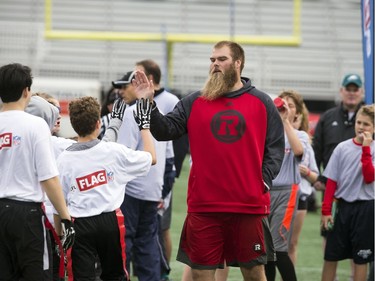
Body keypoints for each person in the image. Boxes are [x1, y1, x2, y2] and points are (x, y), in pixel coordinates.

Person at [134, 40, 285, 281]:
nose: (215, 64)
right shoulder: (195, 101)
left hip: (248, 206)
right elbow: (165, 130)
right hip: (205, 206)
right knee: (200, 273)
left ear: (238, 63)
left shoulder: (262, 102)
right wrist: (147, 102)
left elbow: (275, 148)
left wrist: (262, 181)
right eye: (212, 60)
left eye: (221, 59)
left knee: (255, 272)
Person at [54, 95, 156, 281]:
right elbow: (151, 157)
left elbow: (58, 201)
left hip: (79, 224)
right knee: (115, 276)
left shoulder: (63, 160)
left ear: (74, 125)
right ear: (98, 123)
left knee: (81, 277)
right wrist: (144, 125)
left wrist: (59, 236)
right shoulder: (114, 151)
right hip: (111, 222)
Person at [0, 63, 75, 280]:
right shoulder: (35, 125)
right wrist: (65, 217)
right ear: (26, 91)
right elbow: (48, 177)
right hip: (26, 213)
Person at [113, 67, 177, 281]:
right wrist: (162, 191)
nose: (121, 91)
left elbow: (123, 157)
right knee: (148, 246)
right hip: (152, 191)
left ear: (136, 86)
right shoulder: (157, 115)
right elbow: (170, 160)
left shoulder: (130, 114)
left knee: (125, 246)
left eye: (124, 86)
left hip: (131, 192)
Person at [134, 59, 184, 281]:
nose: (135, 78)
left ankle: (163, 272)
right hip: (142, 178)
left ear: (150, 78)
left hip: (161, 175)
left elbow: (176, 138)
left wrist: (172, 175)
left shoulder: (171, 100)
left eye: (139, 74)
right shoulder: (132, 103)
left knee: (162, 228)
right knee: (147, 232)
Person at [313, 73, 364, 280]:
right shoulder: (328, 117)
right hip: (331, 189)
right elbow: (316, 147)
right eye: (348, 89)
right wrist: (317, 176)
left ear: (361, 92)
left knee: (359, 242)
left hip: (361, 190)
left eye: (355, 89)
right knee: (330, 235)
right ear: (341, 91)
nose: (351, 93)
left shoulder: (369, 118)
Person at [320, 104, 374, 281]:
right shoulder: (342, 148)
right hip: (342, 207)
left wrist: (366, 149)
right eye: (358, 122)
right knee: (330, 256)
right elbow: (331, 182)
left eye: (366, 124)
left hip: (366, 209)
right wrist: (326, 211)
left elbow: (369, 177)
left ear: (373, 128)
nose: (360, 127)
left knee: (361, 258)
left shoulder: (373, 149)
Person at [265, 90, 309, 281]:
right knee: (265, 251)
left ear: (297, 113)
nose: (285, 109)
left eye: (290, 106)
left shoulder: (300, 135)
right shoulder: (267, 132)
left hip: (287, 192)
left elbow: (298, 151)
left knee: (279, 248)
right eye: (282, 105)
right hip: (266, 192)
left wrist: (285, 121)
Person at [288, 102, 319, 266]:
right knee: (269, 247)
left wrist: (306, 172)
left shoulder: (304, 141)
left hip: (299, 197)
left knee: (291, 244)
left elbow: (316, 177)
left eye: (295, 119)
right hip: (276, 197)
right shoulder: (272, 138)